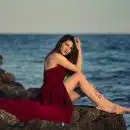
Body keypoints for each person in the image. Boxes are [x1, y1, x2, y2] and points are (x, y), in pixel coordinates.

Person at [0, 34, 130, 125]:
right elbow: (78, 71)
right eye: (67, 45)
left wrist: (79, 52)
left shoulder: (62, 59)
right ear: (61, 43)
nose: (68, 49)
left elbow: (77, 71)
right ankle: (109, 106)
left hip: (57, 94)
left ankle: (108, 105)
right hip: (50, 94)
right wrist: (79, 49)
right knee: (80, 77)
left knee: (86, 86)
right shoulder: (55, 56)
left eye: (71, 48)